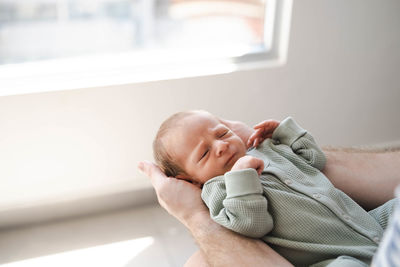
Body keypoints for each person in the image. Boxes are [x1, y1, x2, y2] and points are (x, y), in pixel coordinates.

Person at [138, 111, 400, 267]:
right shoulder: (216, 191)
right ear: (190, 180)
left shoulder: (263, 149)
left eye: (221, 133)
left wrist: (285, 134)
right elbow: (251, 225)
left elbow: (315, 161)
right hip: (335, 257)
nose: (220, 146)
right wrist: (242, 178)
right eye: (205, 153)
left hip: (367, 221)